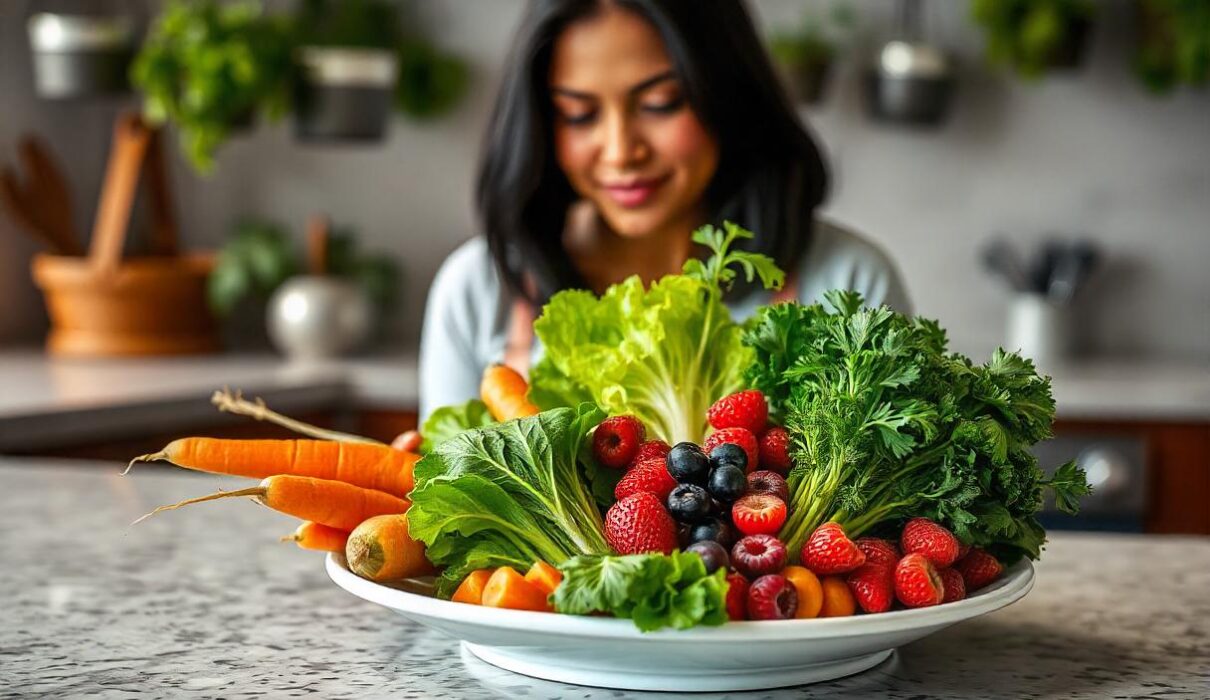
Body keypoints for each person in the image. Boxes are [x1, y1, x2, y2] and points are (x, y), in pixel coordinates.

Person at [416, 0, 911, 423]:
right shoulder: (476, 290)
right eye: (578, 114)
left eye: (660, 103)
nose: (620, 151)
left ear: (728, 96)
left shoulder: (851, 281)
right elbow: (444, 517)